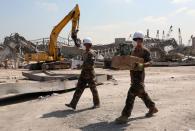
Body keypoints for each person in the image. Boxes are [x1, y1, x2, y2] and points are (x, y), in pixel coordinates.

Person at [115, 31, 158, 124]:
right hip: (133, 76)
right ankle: (152, 108)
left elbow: (150, 62)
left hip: (139, 77)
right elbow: (128, 62)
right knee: (142, 94)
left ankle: (125, 115)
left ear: (142, 41)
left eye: (139, 40)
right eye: (136, 40)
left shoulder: (145, 51)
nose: (138, 42)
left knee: (131, 94)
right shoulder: (132, 51)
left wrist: (142, 65)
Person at [65, 37, 100, 110]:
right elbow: (82, 62)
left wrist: (81, 65)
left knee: (93, 89)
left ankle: (97, 104)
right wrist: (77, 65)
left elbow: (90, 64)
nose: (83, 45)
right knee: (79, 88)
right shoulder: (84, 53)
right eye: (84, 44)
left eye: (85, 44)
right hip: (83, 74)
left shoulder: (91, 53)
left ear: (89, 45)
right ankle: (73, 104)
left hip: (90, 74)